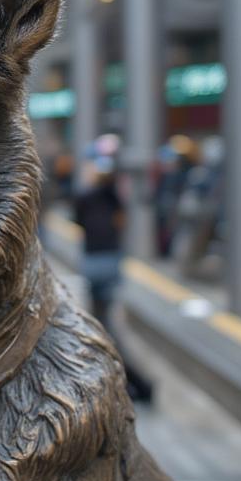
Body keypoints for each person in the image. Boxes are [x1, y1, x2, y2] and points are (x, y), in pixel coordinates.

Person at [74, 156, 153, 404]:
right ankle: (128, 380)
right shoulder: (113, 196)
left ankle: (137, 382)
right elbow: (121, 219)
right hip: (111, 261)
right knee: (103, 321)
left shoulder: (85, 196)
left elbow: (79, 221)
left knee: (102, 325)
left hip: (94, 262)